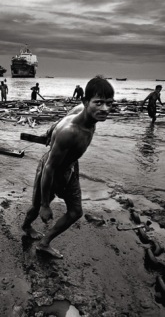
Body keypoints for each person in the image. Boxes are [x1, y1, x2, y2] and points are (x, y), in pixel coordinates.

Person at [22, 76, 115, 259]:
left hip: (71, 168)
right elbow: (49, 168)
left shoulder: (82, 110)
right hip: (53, 170)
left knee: (75, 212)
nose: (105, 109)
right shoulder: (71, 133)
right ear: (86, 101)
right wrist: (45, 205)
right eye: (98, 103)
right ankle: (26, 226)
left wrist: (48, 133)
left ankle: (44, 243)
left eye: (109, 103)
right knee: (35, 207)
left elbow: (60, 119)